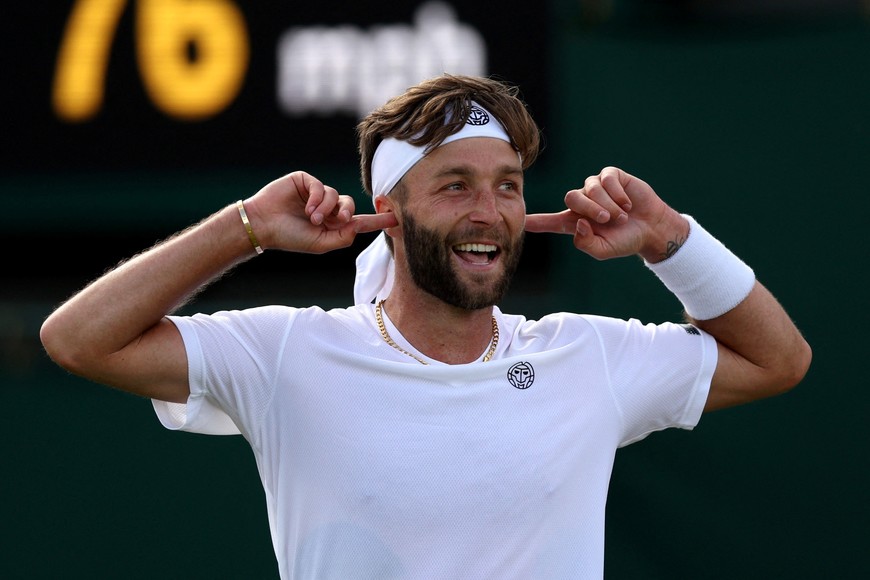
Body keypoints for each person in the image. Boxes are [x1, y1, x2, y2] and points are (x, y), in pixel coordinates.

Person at [40, 73, 811, 579]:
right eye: (455, 185)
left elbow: (780, 360)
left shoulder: (588, 356)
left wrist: (670, 239)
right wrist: (244, 227)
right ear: (390, 214)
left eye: (508, 186)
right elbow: (77, 339)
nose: (490, 211)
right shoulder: (288, 354)